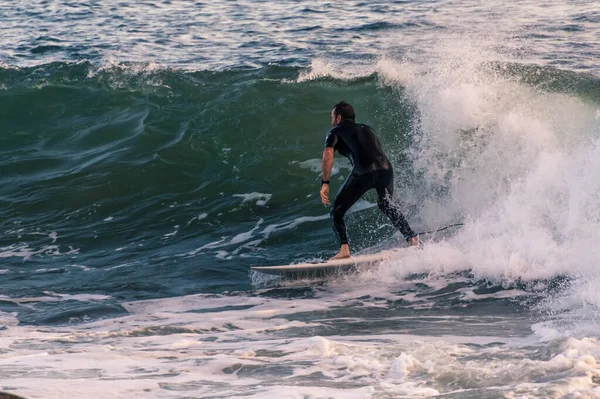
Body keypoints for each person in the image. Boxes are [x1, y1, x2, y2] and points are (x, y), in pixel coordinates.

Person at [320, 101, 419, 259]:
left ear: (338, 118)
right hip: (386, 170)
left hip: (364, 172)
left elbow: (328, 154)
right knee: (386, 205)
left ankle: (344, 249)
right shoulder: (368, 129)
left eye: (332, 117)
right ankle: (412, 238)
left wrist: (325, 183)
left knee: (336, 213)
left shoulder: (335, 131)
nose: (331, 121)